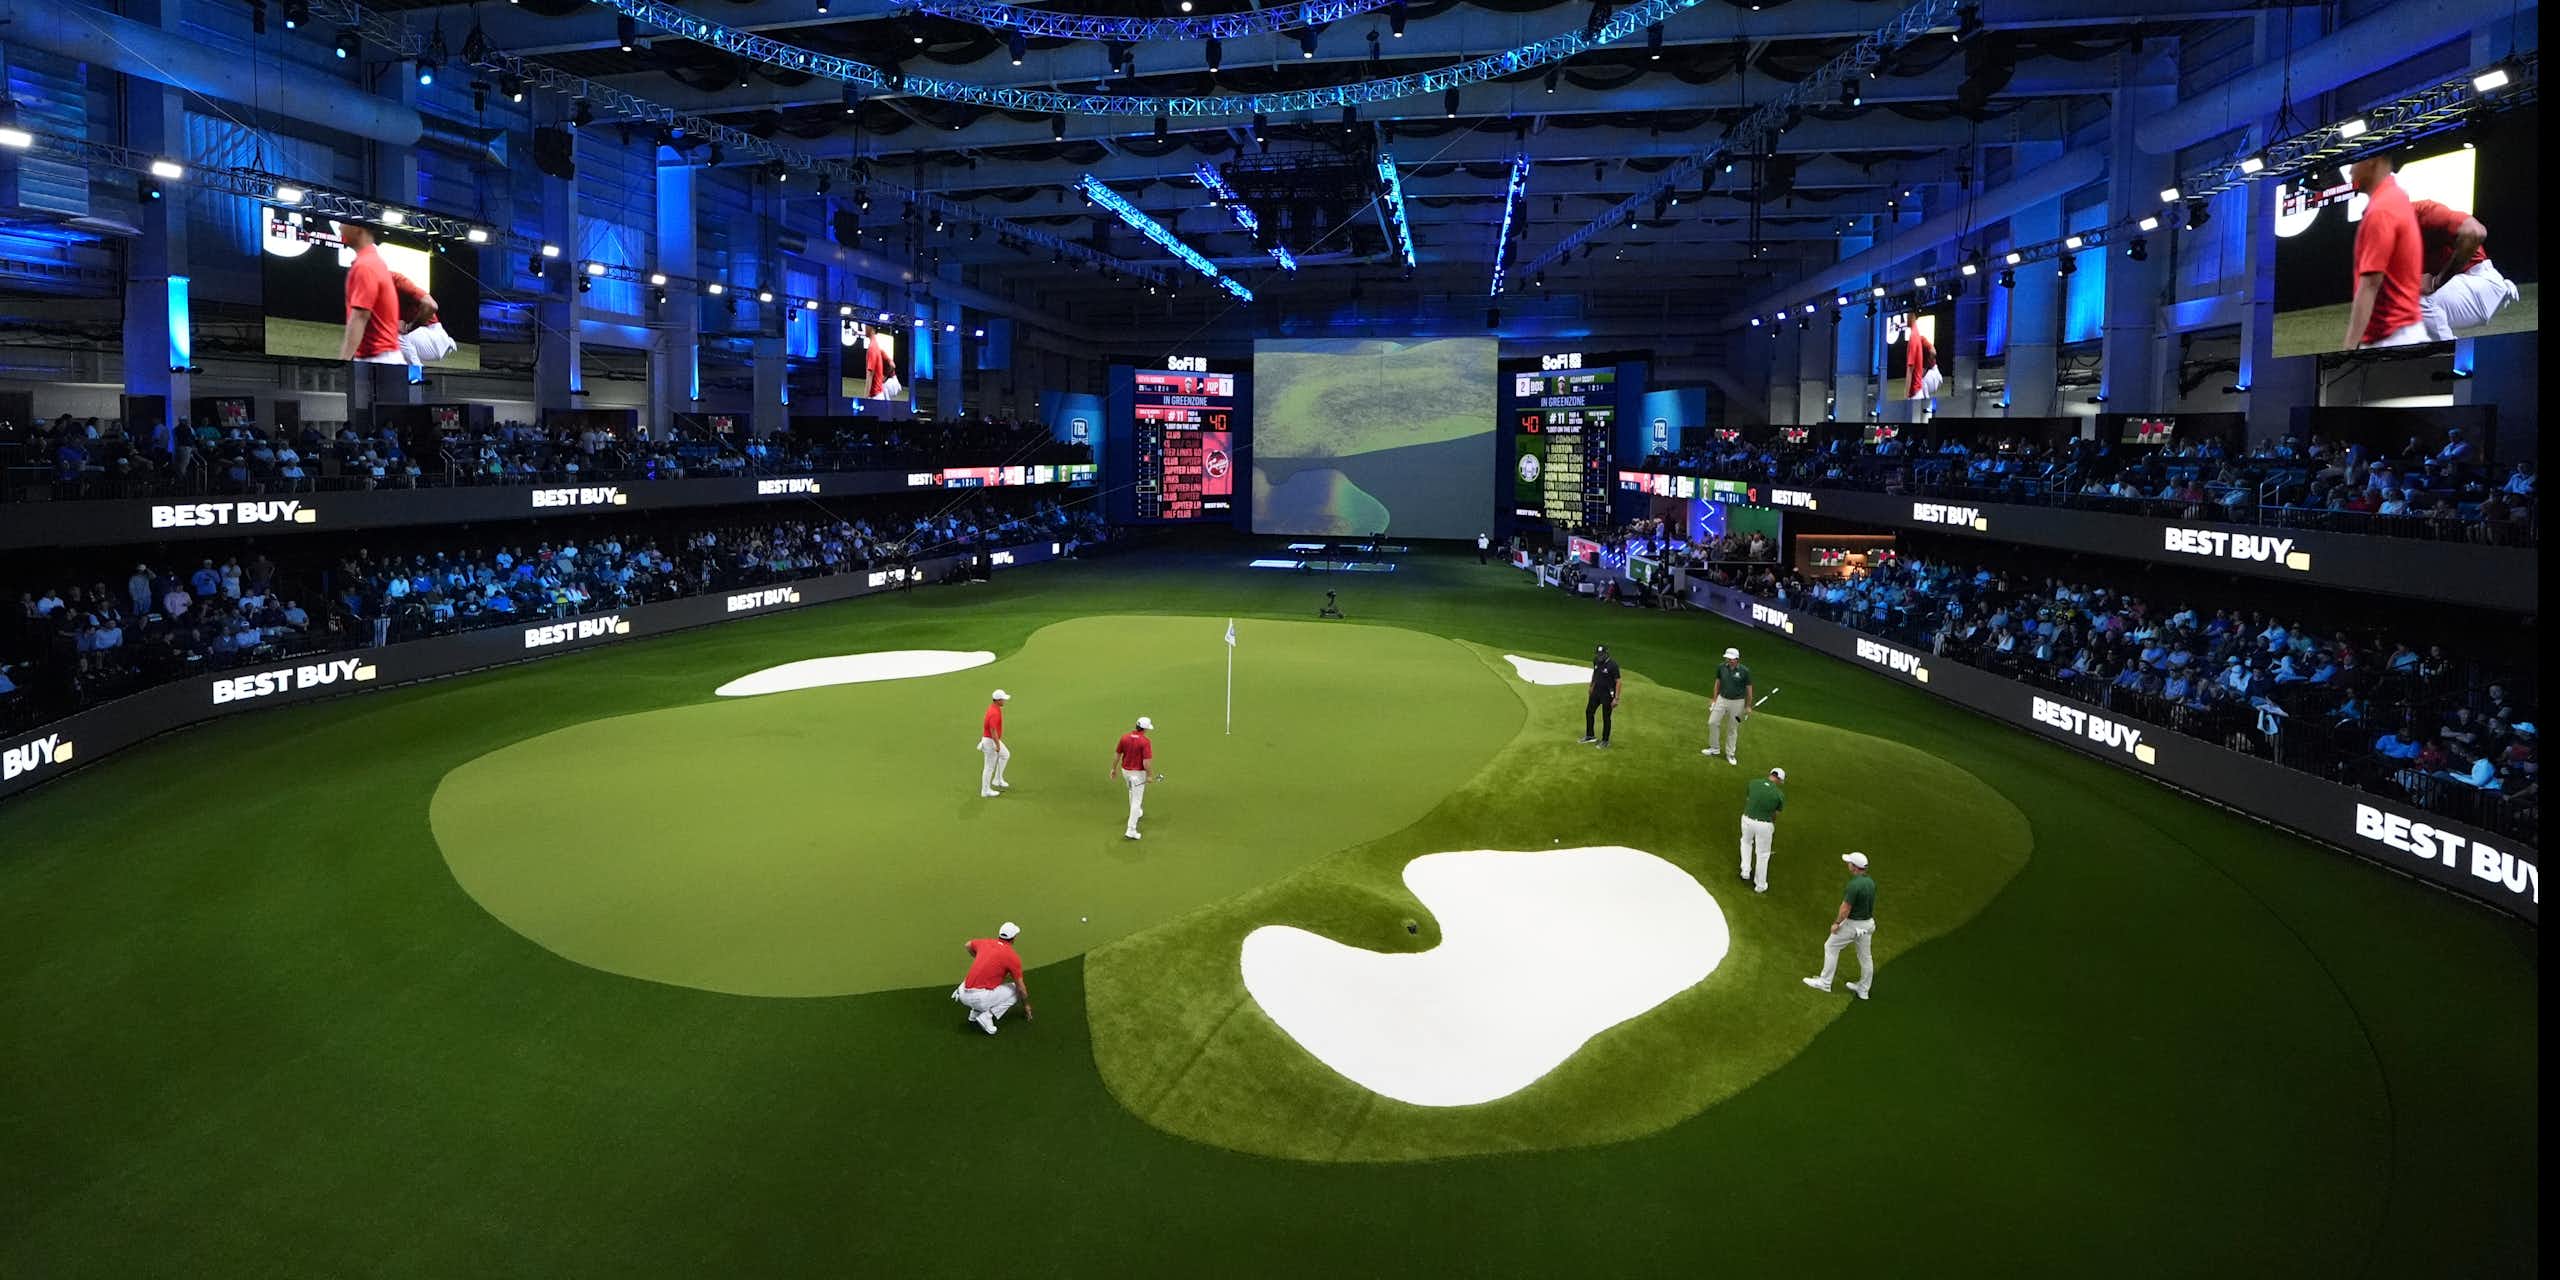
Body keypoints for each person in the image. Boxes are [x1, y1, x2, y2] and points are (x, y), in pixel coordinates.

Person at [2341, 152, 2429, 351]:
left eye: (2354, 161)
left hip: (2390, 337)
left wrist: (2348, 348)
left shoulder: (2382, 210)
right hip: (2402, 333)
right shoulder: (2395, 197)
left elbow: (2370, 284)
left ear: (2372, 159)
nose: (2350, 170)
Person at [2411, 196, 2521, 341]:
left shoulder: (2423, 212)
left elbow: (2475, 232)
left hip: (2479, 282)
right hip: (2459, 289)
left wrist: (2437, 281)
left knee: (2413, 298)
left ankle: (2449, 354)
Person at [335, 221, 415, 367]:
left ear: (358, 228)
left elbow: (360, 317)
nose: (339, 227)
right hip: (381, 359)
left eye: (343, 223)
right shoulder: (373, 261)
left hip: (377, 361)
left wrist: (342, 363)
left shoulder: (365, 265)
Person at [1803, 852, 1878, 1000]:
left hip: (1852, 925)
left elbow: (1845, 908)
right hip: (1868, 925)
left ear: (1855, 867)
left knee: (1831, 946)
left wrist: (1837, 923)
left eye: (1849, 862)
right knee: (1866, 957)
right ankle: (1863, 990)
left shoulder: (1854, 885)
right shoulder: (1871, 882)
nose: (1847, 864)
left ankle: (1824, 982)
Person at [950, 921, 1033, 1036]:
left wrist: (977, 957)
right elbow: (1021, 988)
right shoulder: (1012, 957)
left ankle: (975, 1014)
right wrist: (1026, 1006)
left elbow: (968, 945)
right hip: (978, 998)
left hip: (963, 992)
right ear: (1013, 938)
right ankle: (987, 1016)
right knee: (1016, 990)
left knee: (989, 986)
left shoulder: (985, 942)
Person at [1738, 766, 1786, 894]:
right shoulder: (1779, 795)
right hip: (1764, 825)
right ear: (1780, 780)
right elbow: (1775, 814)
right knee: (1763, 854)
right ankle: (1760, 884)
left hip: (1747, 819)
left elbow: (1749, 800)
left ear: (1770, 774)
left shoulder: (1753, 783)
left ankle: (1745, 871)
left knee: (1746, 842)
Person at [1703, 646, 1754, 764]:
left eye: (1731, 659)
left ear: (1737, 659)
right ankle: (1714, 748)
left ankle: (1730, 754)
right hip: (1722, 699)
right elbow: (1717, 683)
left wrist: (1748, 706)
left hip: (1737, 702)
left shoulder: (1744, 671)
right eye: (1728, 658)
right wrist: (1714, 699)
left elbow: (1749, 689)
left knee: (1732, 728)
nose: (1729, 660)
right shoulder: (1721, 667)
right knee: (1712, 722)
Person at [1113, 716, 1156, 840]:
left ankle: (1137, 813)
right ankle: (1131, 829)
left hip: (1125, 771)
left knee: (1131, 791)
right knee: (1137, 801)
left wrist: (1113, 769)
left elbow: (1117, 754)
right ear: (1145, 729)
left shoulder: (1124, 737)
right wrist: (1149, 775)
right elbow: (1146, 762)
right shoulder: (1145, 742)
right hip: (1138, 774)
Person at [1581, 644, 1621, 748]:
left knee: (1606, 717)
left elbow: (1618, 681)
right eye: (1598, 654)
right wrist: (1591, 685)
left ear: (1606, 654)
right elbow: (1595, 673)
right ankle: (1590, 735)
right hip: (1596, 692)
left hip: (1607, 694)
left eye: (1601, 654)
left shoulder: (1613, 665)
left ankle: (1605, 740)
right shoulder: (1596, 661)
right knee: (1589, 711)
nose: (1599, 656)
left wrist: (1616, 698)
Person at [977, 688, 1012, 798]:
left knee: (1005, 755)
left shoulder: (994, 708)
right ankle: (985, 790)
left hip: (991, 740)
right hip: (990, 741)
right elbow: (993, 730)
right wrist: (997, 745)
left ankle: (997, 779)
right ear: (998, 700)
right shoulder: (994, 712)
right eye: (1003, 699)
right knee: (989, 767)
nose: (1004, 701)